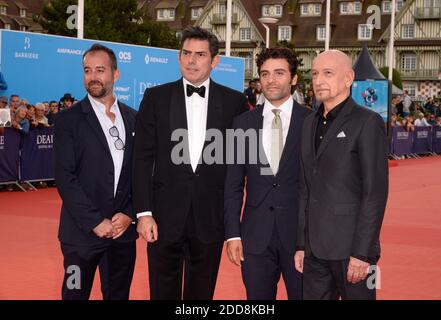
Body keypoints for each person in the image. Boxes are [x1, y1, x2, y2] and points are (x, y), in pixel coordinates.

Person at [132, 26, 248, 300]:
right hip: (162, 219)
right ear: (178, 56)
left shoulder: (235, 102)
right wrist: (143, 213)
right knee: (162, 292)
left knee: (201, 295)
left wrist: (234, 225)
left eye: (200, 54)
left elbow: (240, 164)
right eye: (186, 53)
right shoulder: (155, 98)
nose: (191, 60)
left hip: (210, 218)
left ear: (215, 60)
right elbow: (141, 158)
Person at [294, 50, 388, 300]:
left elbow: (374, 193)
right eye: (314, 74)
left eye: (327, 73)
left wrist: (363, 252)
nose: (318, 80)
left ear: (348, 78)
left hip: (353, 251)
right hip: (314, 251)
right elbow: (305, 188)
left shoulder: (368, 122)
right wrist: (302, 244)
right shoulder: (308, 123)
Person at [224, 48, 312, 300]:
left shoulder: (311, 121)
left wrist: (312, 238)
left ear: (294, 79)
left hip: (301, 238)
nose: (271, 80)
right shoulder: (242, 123)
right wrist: (232, 234)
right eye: (265, 74)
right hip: (254, 238)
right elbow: (233, 184)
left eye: (279, 73)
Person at [54, 44, 137, 300]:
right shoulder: (68, 120)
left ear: (116, 74)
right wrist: (94, 222)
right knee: (74, 294)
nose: (93, 77)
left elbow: (143, 173)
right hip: (80, 238)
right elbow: (65, 178)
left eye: (100, 70)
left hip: (122, 235)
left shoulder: (135, 119)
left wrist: (130, 214)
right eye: (87, 70)